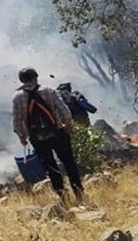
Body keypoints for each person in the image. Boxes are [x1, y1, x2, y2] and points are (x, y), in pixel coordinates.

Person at [12, 67, 84, 201]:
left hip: (37, 138)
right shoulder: (49, 91)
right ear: (36, 77)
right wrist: (67, 125)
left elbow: (17, 121)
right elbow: (65, 111)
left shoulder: (17, 97)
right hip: (57, 132)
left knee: (50, 167)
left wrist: (22, 137)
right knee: (69, 163)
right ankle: (79, 193)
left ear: (21, 80)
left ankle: (62, 197)